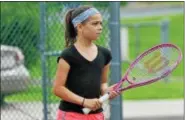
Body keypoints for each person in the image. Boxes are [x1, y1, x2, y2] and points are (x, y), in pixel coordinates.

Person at [53, 5, 119, 120]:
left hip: (97, 116)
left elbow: (103, 83)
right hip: (70, 115)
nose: (100, 27)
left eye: (101, 23)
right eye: (95, 24)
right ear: (79, 27)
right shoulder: (68, 55)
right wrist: (84, 102)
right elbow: (58, 89)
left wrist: (106, 91)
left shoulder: (105, 54)